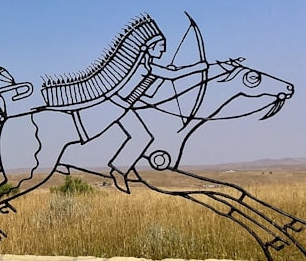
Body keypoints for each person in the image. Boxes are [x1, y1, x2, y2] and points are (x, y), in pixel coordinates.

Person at [43, 15, 207, 194]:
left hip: (123, 108)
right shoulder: (145, 66)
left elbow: (150, 92)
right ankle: (65, 160)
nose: (163, 52)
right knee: (85, 135)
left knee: (142, 137)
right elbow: (172, 75)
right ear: (149, 47)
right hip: (113, 107)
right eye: (161, 48)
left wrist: (161, 78)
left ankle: (118, 171)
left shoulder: (148, 67)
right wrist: (200, 67)